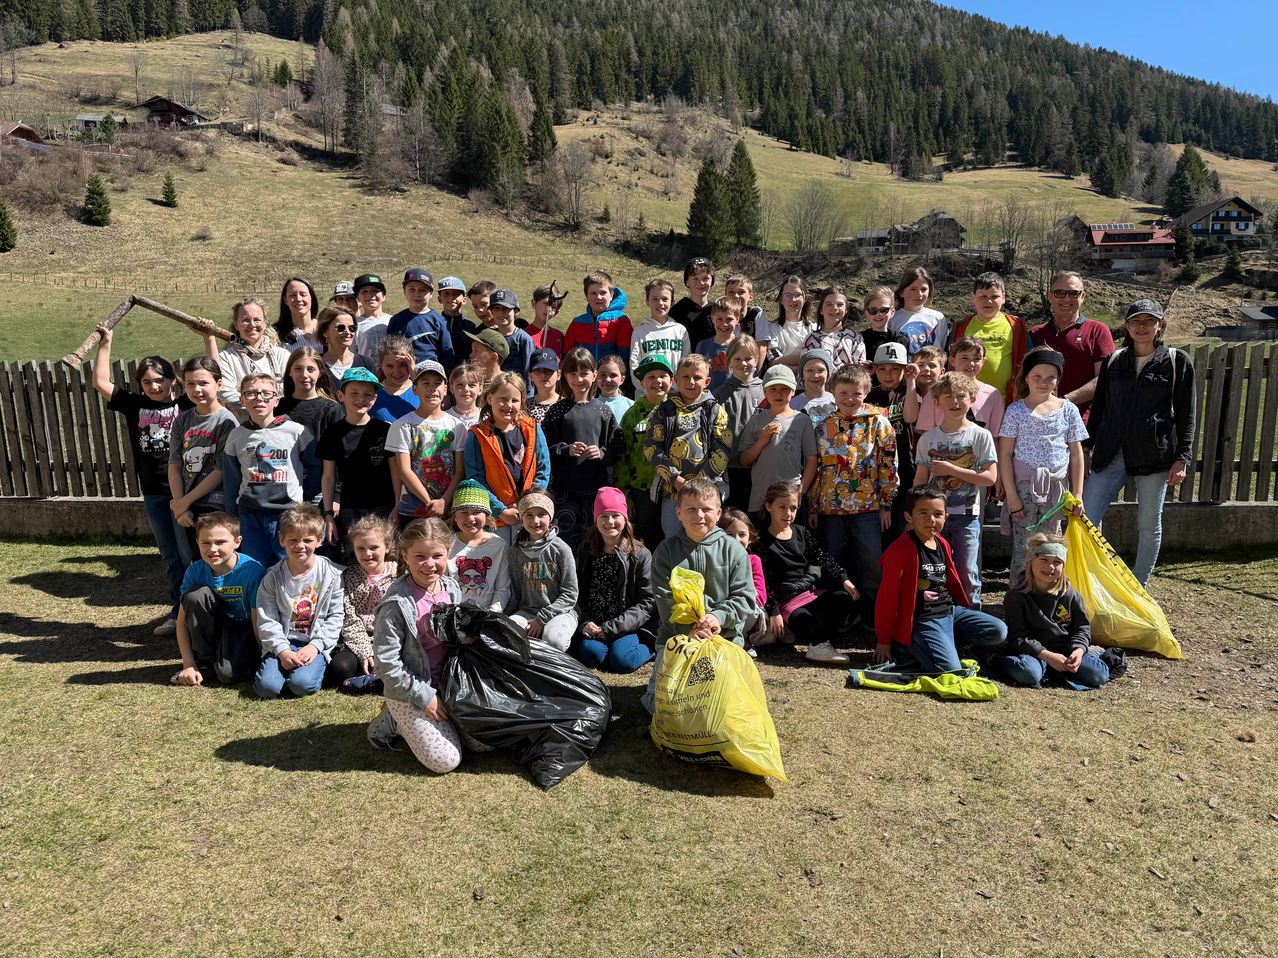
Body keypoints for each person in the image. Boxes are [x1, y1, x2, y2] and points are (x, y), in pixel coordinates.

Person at [1082, 299, 1196, 585]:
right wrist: (1086, 446)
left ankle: (1139, 585)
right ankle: (1101, 578)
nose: (1142, 327)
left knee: (1148, 525)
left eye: (1149, 321)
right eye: (1136, 321)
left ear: (1160, 325)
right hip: (1111, 451)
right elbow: (1100, 408)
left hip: (1154, 454)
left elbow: (1186, 411)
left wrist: (1183, 457)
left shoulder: (1176, 360)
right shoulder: (1114, 360)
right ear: (1127, 326)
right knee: (1087, 517)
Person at [93, 325, 192, 635]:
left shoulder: (185, 404)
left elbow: (215, 379)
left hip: (186, 492)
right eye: (147, 382)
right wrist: (106, 343)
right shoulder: (135, 406)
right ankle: (178, 614)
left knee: (191, 554)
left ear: (173, 380)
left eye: (160, 380)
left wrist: (206, 339)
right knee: (171, 556)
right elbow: (100, 381)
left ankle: (199, 613)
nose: (154, 386)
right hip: (153, 492)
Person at [642, 477, 758, 714]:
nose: (699, 516)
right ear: (678, 513)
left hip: (723, 639)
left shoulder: (733, 550)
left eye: (706, 509)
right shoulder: (665, 551)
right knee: (661, 709)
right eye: (691, 509)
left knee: (720, 708)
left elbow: (745, 598)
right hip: (676, 639)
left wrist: (716, 618)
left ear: (718, 513)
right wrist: (691, 630)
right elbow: (666, 603)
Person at [367, 517, 466, 772]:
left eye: (437, 555)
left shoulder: (452, 588)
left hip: (448, 684)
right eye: (420, 556)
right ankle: (392, 720)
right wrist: (425, 696)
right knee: (445, 760)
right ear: (405, 556)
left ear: (448, 553)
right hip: (411, 690)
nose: (430, 564)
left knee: (483, 742)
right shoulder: (395, 604)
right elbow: (387, 665)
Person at [875, 485, 1008, 673]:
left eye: (938, 514)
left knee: (998, 631)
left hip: (950, 613)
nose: (931, 520)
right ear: (908, 517)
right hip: (923, 620)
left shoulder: (941, 543)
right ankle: (910, 645)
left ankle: (945, 644)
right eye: (923, 513)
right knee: (951, 671)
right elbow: (887, 599)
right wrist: (884, 640)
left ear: (946, 517)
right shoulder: (900, 551)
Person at [809, 364, 897, 616]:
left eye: (856, 394)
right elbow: (817, 469)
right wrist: (813, 505)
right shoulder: (823, 425)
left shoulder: (878, 422)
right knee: (833, 561)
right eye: (843, 393)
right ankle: (838, 613)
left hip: (868, 507)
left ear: (866, 392)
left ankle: (873, 612)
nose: (849, 399)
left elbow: (888, 464)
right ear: (833, 393)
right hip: (830, 507)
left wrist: (886, 503)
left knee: (871, 561)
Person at [997, 348, 1088, 587]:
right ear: (1026, 377)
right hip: (1025, 490)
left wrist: (1077, 494)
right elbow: (1005, 454)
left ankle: (1048, 594)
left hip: (1056, 492)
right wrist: (1013, 497)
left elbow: (1076, 453)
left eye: (1051, 377)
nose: (1044, 382)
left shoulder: (1068, 410)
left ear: (1058, 380)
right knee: (1025, 547)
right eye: (1037, 376)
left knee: (1051, 545)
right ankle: (1019, 596)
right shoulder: (1015, 411)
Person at [913, 372, 998, 608]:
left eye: (961, 396)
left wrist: (952, 469)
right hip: (932, 518)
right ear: (936, 402)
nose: (955, 402)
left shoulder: (981, 435)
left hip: (966, 516)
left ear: (971, 399)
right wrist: (914, 516)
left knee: (967, 574)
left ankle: (972, 621)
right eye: (948, 397)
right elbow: (920, 481)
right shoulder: (928, 439)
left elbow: (990, 478)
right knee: (932, 572)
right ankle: (939, 616)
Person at [756, 479, 859, 665]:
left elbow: (822, 556)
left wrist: (844, 579)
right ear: (768, 506)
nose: (788, 513)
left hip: (810, 593)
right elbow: (764, 580)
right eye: (782, 507)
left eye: (793, 508)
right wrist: (774, 611)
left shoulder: (802, 532)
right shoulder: (761, 540)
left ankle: (817, 640)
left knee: (844, 598)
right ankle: (817, 643)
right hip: (787, 601)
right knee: (806, 623)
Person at [990, 533, 1111, 689]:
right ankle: (995, 660)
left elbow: (1082, 628)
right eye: (1044, 560)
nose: (1050, 567)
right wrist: (1048, 656)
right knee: (1028, 674)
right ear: (1030, 562)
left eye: (1057, 562)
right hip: (1034, 653)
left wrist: (1078, 651)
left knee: (1099, 675)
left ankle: (1085, 656)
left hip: (1066, 649)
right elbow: (1018, 636)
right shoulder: (1016, 596)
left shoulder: (1071, 595)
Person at [252, 504, 342, 699]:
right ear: (282, 540)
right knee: (267, 688)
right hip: (283, 641)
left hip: (313, 642)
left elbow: (335, 617)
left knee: (301, 684)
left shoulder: (332, 575)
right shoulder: (273, 577)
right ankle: (282, 671)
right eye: (293, 540)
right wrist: (282, 651)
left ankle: (309, 671)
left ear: (319, 540)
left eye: (307, 540)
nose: (300, 546)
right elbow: (267, 619)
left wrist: (316, 646)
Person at [221, 372, 312, 566]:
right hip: (249, 516)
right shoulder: (236, 436)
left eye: (266, 393)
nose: (259, 398)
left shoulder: (296, 431)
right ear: (242, 400)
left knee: (289, 566)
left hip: (288, 513)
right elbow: (231, 480)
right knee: (255, 567)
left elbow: (316, 469)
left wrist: (303, 500)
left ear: (276, 400)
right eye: (251, 394)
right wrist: (232, 516)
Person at [170, 512, 265, 686]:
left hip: (243, 629)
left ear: (237, 542)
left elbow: (256, 619)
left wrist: (262, 658)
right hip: (215, 628)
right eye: (206, 542)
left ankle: (227, 664)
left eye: (220, 542)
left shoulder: (253, 571)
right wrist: (188, 664)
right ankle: (203, 663)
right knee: (195, 595)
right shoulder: (194, 571)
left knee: (228, 675)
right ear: (197, 542)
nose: (212, 549)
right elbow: (182, 621)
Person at [541, 348, 624, 549]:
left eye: (584, 373)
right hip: (564, 489)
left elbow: (618, 445)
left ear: (594, 375)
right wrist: (565, 449)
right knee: (565, 539)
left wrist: (602, 453)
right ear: (565, 376)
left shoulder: (602, 410)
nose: (579, 379)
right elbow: (542, 448)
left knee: (593, 538)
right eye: (573, 373)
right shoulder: (557, 411)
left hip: (595, 488)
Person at [644, 353, 733, 536]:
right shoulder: (664, 410)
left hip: (707, 494)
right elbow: (652, 448)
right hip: (673, 494)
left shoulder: (716, 411)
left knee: (705, 540)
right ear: (676, 380)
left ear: (707, 381)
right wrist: (675, 479)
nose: (691, 382)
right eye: (685, 377)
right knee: (674, 539)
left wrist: (702, 482)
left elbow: (722, 451)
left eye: (697, 377)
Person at [573, 487, 656, 674]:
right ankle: (608, 649)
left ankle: (651, 648)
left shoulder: (640, 554)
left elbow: (647, 601)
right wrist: (585, 621)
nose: (609, 522)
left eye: (615, 515)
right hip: (595, 622)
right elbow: (578, 592)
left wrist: (612, 628)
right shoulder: (586, 550)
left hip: (625, 625)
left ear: (625, 519)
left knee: (622, 662)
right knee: (589, 655)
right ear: (596, 520)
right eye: (603, 516)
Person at [462, 372, 550, 544]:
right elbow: (475, 479)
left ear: (522, 401)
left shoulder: (532, 429)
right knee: (498, 566)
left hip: (528, 517)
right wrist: (500, 510)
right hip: (495, 520)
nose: (508, 405)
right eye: (502, 399)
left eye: (514, 400)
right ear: (489, 398)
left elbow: (543, 469)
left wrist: (528, 505)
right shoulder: (478, 435)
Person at [318, 367, 395, 553]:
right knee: (356, 557)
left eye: (368, 394)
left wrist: (398, 507)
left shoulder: (386, 430)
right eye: (354, 393)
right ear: (340, 395)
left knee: (386, 557)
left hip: (384, 507)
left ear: (375, 399)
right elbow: (328, 476)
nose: (361, 398)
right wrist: (328, 514)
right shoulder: (332, 433)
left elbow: (396, 473)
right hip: (350, 509)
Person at [168, 356, 238, 555]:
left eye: (203, 383)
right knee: (194, 559)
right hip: (188, 505)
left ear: (219, 384)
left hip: (215, 504)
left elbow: (220, 470)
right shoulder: (182, 420)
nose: (196, 389)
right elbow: (174, 464)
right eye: (190, 384)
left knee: (216, 557)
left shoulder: (227, 422)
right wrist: (180, 504)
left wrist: (183, 502)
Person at [386, 360, 464, 522]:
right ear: (415, 389)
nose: (432, 388)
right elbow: (403, 470)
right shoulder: (402, 425)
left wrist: (444, 501)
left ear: (446, 388)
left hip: (447, 509)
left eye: (437, 383)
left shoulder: (457, 426)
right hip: (412, 511)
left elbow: (459, 471)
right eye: (425, 383)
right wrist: (430, 503)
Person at [1029, 271, 1114, 420]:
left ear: (1083, 297)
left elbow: (1104, 378)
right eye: (1060, 293)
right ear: (1050, 296)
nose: (1067, 298)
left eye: (1074, 293)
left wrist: (1065, 402)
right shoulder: (1034, 334)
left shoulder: (1097, 331)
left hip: (1084, 423)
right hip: (1039, 421)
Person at [737, 365, 817, 515]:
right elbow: (744, 460)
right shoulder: (756, 420)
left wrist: (801, 492)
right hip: (761, 498)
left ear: (793, 391)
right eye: (773, 389)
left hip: (791, 499)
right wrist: (762, 440)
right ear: (765, 391)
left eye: (784, 389)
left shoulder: (802, 420)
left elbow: (811, 460)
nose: (778, 393)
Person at [331, 513, 398, 686]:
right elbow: (349, 619)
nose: (367, 554)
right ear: (353, 548)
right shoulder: (348, 576)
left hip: (389, 640)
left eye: (374, 547)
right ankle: (371, 672)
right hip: (356, 640)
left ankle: (375, 675)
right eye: (361, 548)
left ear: (388, 547)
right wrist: (366, 652)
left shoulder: (398, 576)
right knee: (341, 668)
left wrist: (381, 649)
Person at [508, 491, 579, 651]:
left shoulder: (561, 549)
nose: (536, 521)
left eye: (542, 514)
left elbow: (570, 594)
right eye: (529, 515)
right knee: (508, 633)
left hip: (560, 612)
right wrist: (506, 618)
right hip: (527, 611)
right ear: (521, 518)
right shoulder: (515, 550)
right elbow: (515, 593)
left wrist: (542, 619)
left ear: (551, 517)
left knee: (554, 640)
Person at [617, 355, 671, 548]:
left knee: (672, 536)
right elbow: (622, 458)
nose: (657, 381)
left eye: (663, 375)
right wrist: (626, 496)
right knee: (648, 538)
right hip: (642, 490)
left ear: (671, 380)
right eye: (651, 377)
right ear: (641, 382)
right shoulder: (632, 414)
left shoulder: (678, 410)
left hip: (672, 489)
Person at [277, 347, 343, 504]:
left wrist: (336, 495)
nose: (304, 375)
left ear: (319, 372)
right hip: (282, 490)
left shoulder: (331, 409)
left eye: (311, 369)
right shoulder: (277, 407)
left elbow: (341, 454)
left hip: (319, 493)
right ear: (289, 372)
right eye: (298, 369)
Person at [207, 297, 290, 422]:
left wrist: (245, 392)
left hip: (280, 424)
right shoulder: (226, 358)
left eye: (257, 320)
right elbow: (225, 395)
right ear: (236, 324)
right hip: (243, 427)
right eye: (245, 320)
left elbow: (290, 391)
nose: (252, 325)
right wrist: (271, 395)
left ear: (265, 323)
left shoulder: (282, 356)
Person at [951, 272, 1028, 404]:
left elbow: (1025, 360)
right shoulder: (961, 326)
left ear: (1003, 298)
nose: (989, 301)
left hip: (1005, 398)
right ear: (973, 298)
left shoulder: (1016, 325)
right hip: (967, 399)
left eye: (994, 296)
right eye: (983, 297)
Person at [910, 338, 1006, 438]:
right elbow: (927, 436)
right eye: (964, 358)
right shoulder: (935, 391)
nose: (971, 363)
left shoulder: (993, 394)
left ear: (983, 361)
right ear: (952, 360)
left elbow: (994, 437)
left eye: (977, 359)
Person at [867, 342, 914, 538]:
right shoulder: (870, 393)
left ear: (905, 369)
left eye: (895, 369)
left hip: (904, 466)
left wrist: (911, 381)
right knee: (878, 526)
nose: (888, 375)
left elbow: (910, 417)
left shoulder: (909, 393)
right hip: (875, 466)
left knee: (899, 524)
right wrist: (865, 376)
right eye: (882, 369)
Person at [448, 479, 513, 612]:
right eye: (464, 512)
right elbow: (442, 586)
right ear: (455, 516)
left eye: (476, 512)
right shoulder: (447, 544)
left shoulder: (499, 546)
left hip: (487, 617)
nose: (471, 518)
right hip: (452, 616)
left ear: (487, 516)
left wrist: (490, 615)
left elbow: (502, 589)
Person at [715, 334, 763, 511]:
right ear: (729, 361)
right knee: (734, 515)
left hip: (759, 466)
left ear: (757, 359)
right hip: (730, 467)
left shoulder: (765, 391)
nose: (744, 363)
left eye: (749, 358)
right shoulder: (719, 395)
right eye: (738, 359)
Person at [629, 277, 690, 391]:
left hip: (675, 394)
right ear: (647, 301)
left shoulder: (680, 331)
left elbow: (686, 364)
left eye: (665, 299)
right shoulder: (639, 332)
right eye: (655, 299)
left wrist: (677, 388)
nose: (660, 303)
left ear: (672, 302)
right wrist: (647, 389)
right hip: (647, 395)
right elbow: (634, 365)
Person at [563, 270, 633, 367]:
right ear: (586, 296)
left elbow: (625, 354)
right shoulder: (577, 323)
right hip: (584, 377)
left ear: (611, 295)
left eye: (603, 292)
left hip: (611, 378)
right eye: (593, 293)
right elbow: (567, 354)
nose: (598, 297)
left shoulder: (621, 320)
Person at [387, 267, 455, 367]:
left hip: (431, 376)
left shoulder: (439, 321)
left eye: (422, 290)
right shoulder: (396, 320)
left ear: (431, 293)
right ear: (404, 291)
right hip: (403, 376)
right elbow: (390, 353)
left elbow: (448, 355)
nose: (417, 294)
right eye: (412, 289)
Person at [804, 285, 866, 369]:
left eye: (840, 304)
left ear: (846, 309)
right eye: (829, 304)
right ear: (821, 310)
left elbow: (861, 371)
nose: (834, 308)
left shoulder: (855, 338)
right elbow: (805, 372)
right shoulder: (811, 339)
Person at [889, 265, 947, 354]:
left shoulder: (938, 318)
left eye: (924, 289)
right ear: (901, 292)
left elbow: (941, 350)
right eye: (913, 289)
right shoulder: (892, 318)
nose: (919, 294)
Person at [724, 273, 776, 365]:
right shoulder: (720, 316)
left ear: (750, 296)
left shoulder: (755, 314)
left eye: (741, 292)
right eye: (731, 292)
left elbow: (762, 347)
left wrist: (756, 374)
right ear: (725, 295)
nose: (736, 296)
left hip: (752, 366)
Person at [860, 286, 908, 382]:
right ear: (867, 313)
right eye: (873, 310)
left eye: (883, 310)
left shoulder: (900, 340)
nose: (879, 314)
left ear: (892, 312)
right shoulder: (859, 339)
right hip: (867, 391)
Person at [316, 305, 375, 383]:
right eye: (341, 328)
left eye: (352, 328)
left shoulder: (366, 364)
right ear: (325, 332)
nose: (348, 332)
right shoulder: (316, 364)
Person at [695, 296, 742, 391]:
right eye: (719, 319)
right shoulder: (702, 346)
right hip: (708, 399)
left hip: (734, 397)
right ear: (712, 318)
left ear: (737, 319)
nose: (724, 324)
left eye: (729, 319)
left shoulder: (741, 346)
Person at [370, 335, 419, 424]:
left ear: (412, 362)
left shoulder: (423, 392)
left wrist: (414, 373)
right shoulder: (372, 393)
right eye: (390, 366)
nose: (397, 372)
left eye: (403, 365)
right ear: (381, 365)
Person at [486, 288, 536, 376]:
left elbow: (529, 374)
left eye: (506, 308)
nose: (501, 312)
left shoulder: (524, 339)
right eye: (496, 308)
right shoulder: (489, 337)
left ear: (516, 310)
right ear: (491, 312)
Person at [670, 256, 715, 346]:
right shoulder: (676, 311)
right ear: (687, 282)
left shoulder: (717, 309)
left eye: (705, 278)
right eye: (695, 278)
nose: (701, 283)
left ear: (712, 281)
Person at [772, 275, 814, 368]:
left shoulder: (815, 329)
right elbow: (774, 363)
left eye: (797, 295)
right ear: (781, 299)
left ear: (805, 298)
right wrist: (803, 367)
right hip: (781, 379)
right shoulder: (771, 329)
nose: (793, 299)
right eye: (787, 296)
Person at [274, 276, 322, 351]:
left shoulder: (325, 327)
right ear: (285, 300)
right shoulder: (276, 334)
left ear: (311, 297)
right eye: (292, 295)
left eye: (303, 294)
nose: (298, 299)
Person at [520, 281, 567, 355]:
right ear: (534, 303)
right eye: (546, 303)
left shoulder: (559, 336)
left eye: (553, 307)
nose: (549, 309)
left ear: (556, 313)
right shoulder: (523, 335)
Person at [437, 275, 474, 363]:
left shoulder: (470, 326)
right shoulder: (435, 323)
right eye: (446, 294)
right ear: (439, 299)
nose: (451, 298)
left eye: (456, 294)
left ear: (464, 300)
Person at [353, 273, 392, 357]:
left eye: (375, 290)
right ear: (358, 298)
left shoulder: (393, 321)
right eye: (364, 291)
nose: (370, 295)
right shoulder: (354, 324)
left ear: (383, 296)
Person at [792, 348, 835, 420]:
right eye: (810, 370)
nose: (815, 375)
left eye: (820, 370)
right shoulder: (793, 404)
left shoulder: (837, 401)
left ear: (828, 374)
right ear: (802, 375)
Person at [526, 348, 561, 424]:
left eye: (549, 370)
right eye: (538, 371)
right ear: (530, 376)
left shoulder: (566, 405)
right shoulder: (524, 407)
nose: (543, 375)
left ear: (558, 375)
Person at [595, 354, 633, 424]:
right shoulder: (589, 406)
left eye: (613, 375)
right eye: (603, 375)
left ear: (622, 379)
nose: (607, 380)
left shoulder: (632, 406)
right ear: (596, 377)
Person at [446, 362, 484, 430]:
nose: (466, 389)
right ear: (451, 388)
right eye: (460, 385)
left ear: (480, 389)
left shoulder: (486, 417)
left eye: (471, 385)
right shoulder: (444, 418)